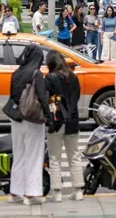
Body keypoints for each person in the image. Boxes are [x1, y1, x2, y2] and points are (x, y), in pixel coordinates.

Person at [8, 45, 51, 205]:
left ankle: (15, 192)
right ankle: (31, 194)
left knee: (19, 155)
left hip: (16, 119)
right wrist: (49, 119)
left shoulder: (16, 73)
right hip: (32, 119)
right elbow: (42, 98)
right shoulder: (36, 74)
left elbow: (12, 95)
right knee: (34, 156)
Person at [45, 50, 85, 202]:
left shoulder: (49, 78)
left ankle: (57, 193)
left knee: (55, 157)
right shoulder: (73, 77)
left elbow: (45, 98)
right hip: (72, 120)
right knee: (74, 155)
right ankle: (78, 190)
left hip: (56, 120)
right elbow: (77, 97)